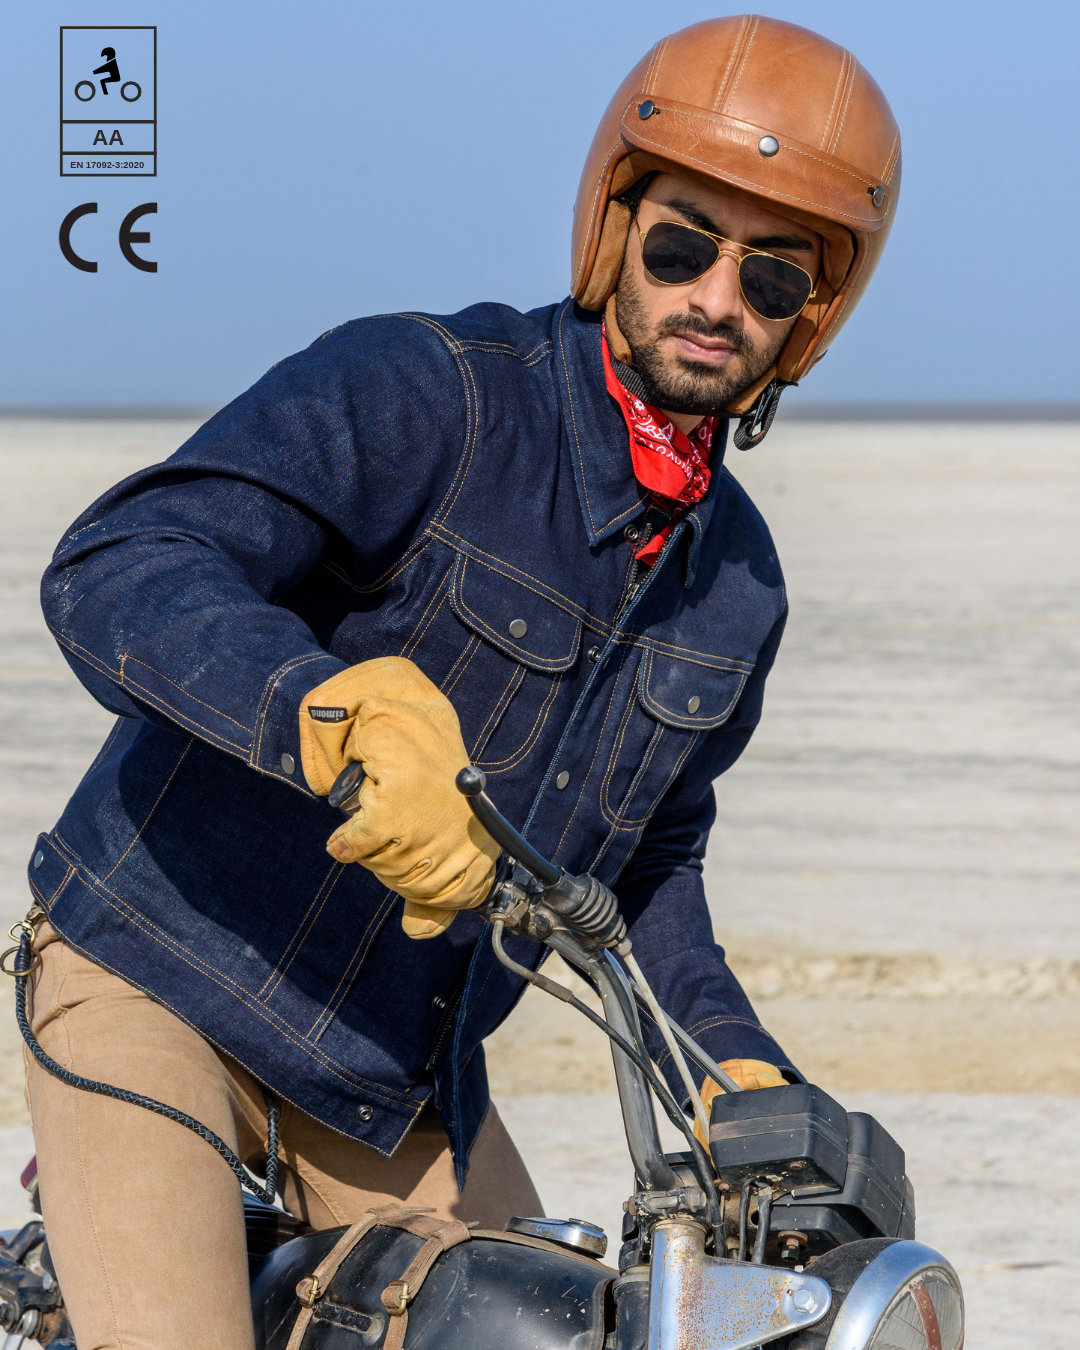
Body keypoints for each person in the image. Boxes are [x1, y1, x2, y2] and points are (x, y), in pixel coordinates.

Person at [26, 15, 900, 1350]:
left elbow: (650, 858)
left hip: (389, 1078)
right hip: (161, 977)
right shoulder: (432, 393)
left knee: (551, 1329)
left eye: (773, 278)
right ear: (615, 229)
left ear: (812, 317)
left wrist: (735, 1066)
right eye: (682, 247)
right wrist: (329, 712)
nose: (719, 300)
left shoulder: (738, 587)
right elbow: (124, 562)